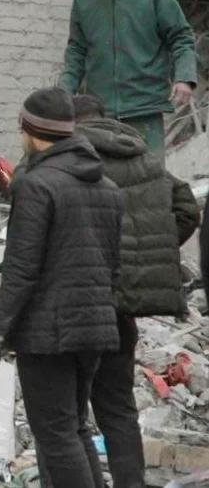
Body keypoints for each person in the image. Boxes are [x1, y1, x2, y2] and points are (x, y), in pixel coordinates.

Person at [36, 93, 197, 488]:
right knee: (118, 409)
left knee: (60, 416)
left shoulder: (58, 159)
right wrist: (149, 255)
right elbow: (188, 210)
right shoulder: (141, 156)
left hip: (70, 307)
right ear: (105, 117)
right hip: (121, 306)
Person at [0, 87, 123, 488]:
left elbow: (21, 271)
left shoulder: (35, 185)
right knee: (74, 429)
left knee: (57, 436)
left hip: (48, 334)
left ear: (32, 130)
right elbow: (114, 266)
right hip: (95, 328)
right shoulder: (107, 188)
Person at [59, 0, 198, 153]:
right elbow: (77, 49)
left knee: (148, 177)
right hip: (100, 113)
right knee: (103, 181)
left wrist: (184, 77)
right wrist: (64, 90)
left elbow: (181, 38)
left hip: (144, 109)